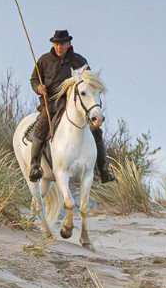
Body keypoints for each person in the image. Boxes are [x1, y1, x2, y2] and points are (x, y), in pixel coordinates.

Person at [26, 29, 114, 183]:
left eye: (62, 44)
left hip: (76, 104)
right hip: (52, 103)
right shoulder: (44, 60)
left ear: (68, 44)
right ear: (53, 44)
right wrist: (38, 88)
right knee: (40, 128)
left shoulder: (79, 61)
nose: (59, 47)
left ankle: (103, 169)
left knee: (96, 131)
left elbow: (90, 82)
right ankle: (34, 166)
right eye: (56, 44)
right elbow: (33, 79)